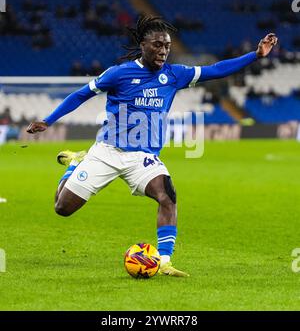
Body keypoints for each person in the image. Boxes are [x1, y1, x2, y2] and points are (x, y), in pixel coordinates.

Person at [26, 15, 278, 277]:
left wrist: (255, 55)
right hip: (107, 152)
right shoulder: (118, 73)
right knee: (62, 208)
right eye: (157, 45)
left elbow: (215, 70)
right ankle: (75, 163)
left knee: (167, 195)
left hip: (143, 157)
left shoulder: (174, 74)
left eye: (167, 46)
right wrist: (48, 120)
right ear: (143, 45)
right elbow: (80, 94)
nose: (163, 51)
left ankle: (164, 260)